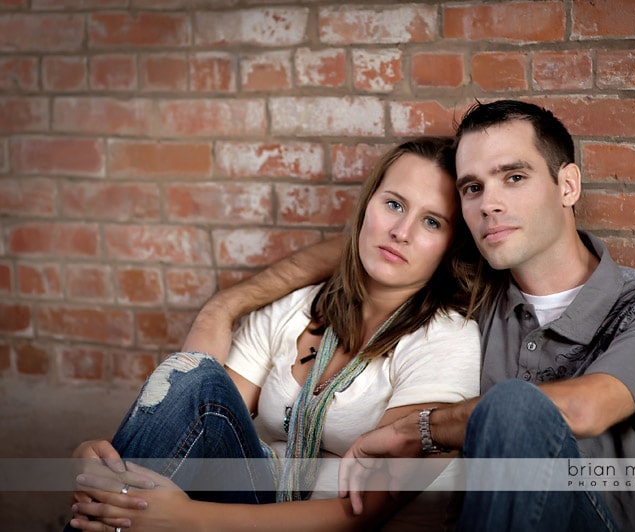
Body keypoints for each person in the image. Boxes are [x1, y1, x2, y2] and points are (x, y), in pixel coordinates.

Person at [176, 100, 635, 532]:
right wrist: (229, 302)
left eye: (514, 177)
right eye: (472, 189)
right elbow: (368, 255)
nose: (489, 204)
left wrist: (421, 428)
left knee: (513, 410)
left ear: (567, 185)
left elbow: (583, 408)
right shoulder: (479, 293)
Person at [65, 137, 492, 531]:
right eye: (394, 204)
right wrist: (98, 454)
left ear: (452, 245)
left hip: (323, 525)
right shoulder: (296, 308)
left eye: (432, 222)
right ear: (367, 207)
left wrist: (185, 518)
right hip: (247, 501)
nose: (402, 231)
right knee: (196, 378)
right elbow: (197, 414)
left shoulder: (446, 340)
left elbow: (364, 512)